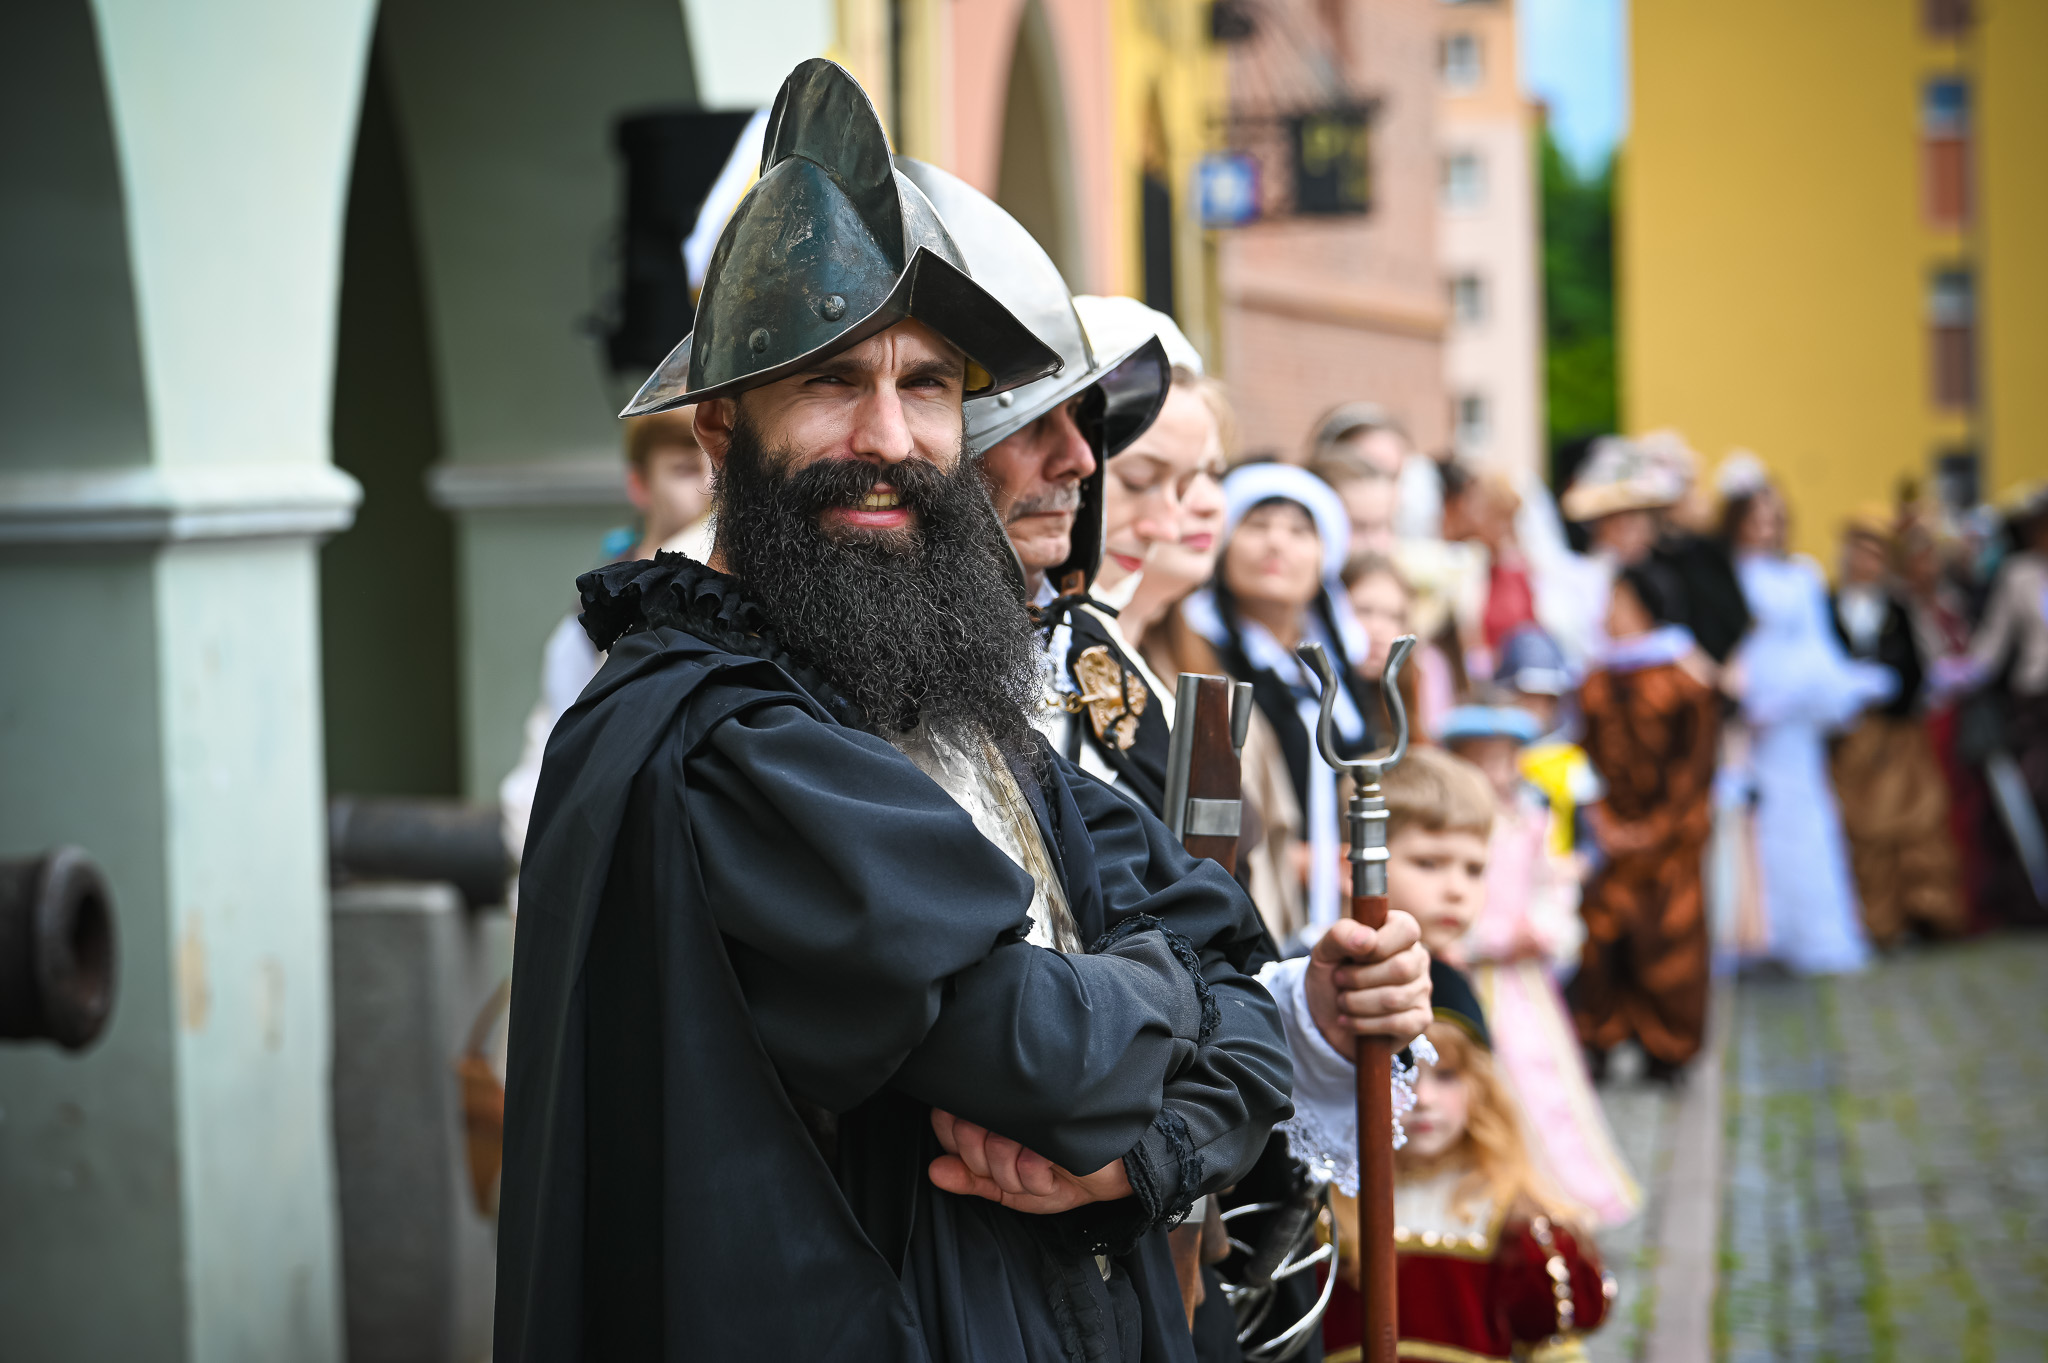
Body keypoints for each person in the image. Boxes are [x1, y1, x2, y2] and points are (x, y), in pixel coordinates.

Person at [495, 62, 1319, 1362]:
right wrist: (1157, 988)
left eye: (927, 384)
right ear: (720, 426)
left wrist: (1140, 1150)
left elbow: (1237, 979)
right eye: (831, 381)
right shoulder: (719, 736)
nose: (887, 433)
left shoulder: (956, 695)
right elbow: (1060, 1059)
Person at [894, 160, 1181, 809]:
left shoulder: (1086, 653)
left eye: (1079, 418)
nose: (1080, 460)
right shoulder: (877, 664)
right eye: (1030, 427)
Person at [1331, 984, 1616, 1363]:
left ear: (1480, 1088)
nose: (1424, 1099)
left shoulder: (1512, 1220)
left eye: (1446, 1075)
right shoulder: (1328, 1208)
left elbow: (1555, 1353)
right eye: (1401, 1072)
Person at [1440, 703, 1641, 1229]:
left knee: (1542, 1073)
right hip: (1472, 969)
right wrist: (1490, 938)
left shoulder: (1530, 820)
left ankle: (1558, 1186)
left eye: (1503, 759)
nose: (1494, 773)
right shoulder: (1456, 829)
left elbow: (1552, 882)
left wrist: (1546, 930)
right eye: (1480, 761)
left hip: (1523, 978)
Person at [498, 405, 715, 876]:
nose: (709, 487)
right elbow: (542, 772)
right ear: (639, 484)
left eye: (720, 469)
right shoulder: (588, 620)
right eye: (684, 469)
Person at [1188, 463, 1380, 941]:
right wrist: (1283, 854)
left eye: (1298, 531)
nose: (1276, 543)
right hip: (1252, 897)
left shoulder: (1338, 668)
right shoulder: (1194, 657)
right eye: (1257, 525)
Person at [1721, 467, 1890, 974]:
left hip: (1792, 723)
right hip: (1747, 721)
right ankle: (1753, 932)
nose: (1765, 527)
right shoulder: (1723, 575)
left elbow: (1817, 649)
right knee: (1747, 825)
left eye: (1773, 517)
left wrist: (1813, 692)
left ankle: (1806, 931)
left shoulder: (1800, 576)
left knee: (1801, 819)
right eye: (1756, 517)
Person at [1570, 564, 1721, 1081]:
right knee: (1601, 942)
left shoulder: (1684, 681)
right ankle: (1602, 1038)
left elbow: (1693, 772)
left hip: (1668, 844)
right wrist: (1603, 822)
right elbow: (1582, 756)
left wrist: (1652, 832)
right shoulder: (1596, 679)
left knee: (1668, 941)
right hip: (1609, 841)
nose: (1606, 614)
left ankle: (1668, 1047)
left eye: (1616, 601)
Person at [1828, 508, 1966, 947]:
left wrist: (1896, 688)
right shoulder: (1829, 605)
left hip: (1898, 733)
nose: (1867, 562)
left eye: (1876, 554)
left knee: (1915, 822)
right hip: (1851, 736)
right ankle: (1876, 921)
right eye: (1861, 552)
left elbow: (1918, 666)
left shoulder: (1897, 608)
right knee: (1863, 830)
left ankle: (1926, 913)